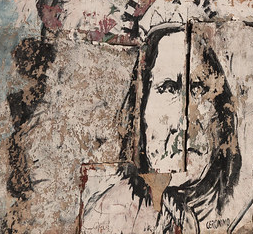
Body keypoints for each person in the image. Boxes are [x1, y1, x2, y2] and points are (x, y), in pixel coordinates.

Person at [80, 24, 242, 234]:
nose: (184, 121)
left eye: (198, 88)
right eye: (168, 88)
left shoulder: (230, 207)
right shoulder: (110, 214)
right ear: (140, 110)